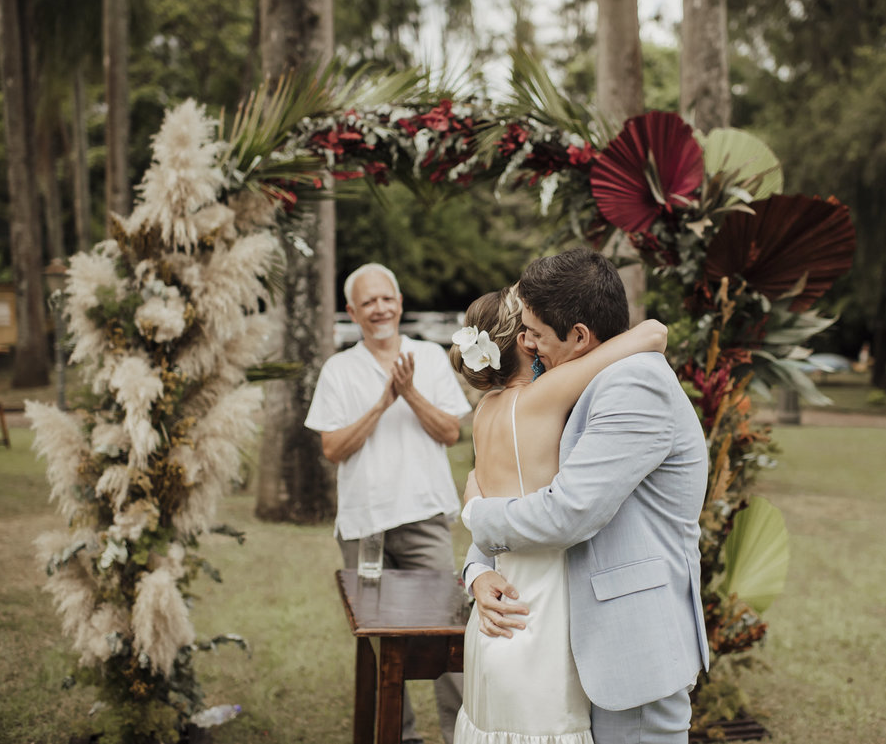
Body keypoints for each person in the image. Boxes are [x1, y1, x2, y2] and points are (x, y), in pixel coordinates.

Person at [462, 249, 711, 744]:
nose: (527, 344)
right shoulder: (582, 380)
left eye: (534, 331)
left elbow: (567, 512)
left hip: (627, 650)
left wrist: (475, 513)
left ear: (578, 336)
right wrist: (478, 569)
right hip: (566, 645)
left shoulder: (634, 383)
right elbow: (520, 486)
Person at [304, 262, 468, 744]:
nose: (380, 308)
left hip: (425, 516)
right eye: (367, 302)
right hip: (364, 524)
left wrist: (409, 392)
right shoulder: (339, 369)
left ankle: (461, 734)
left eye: (386, 298)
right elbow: (333, 449)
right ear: (353, 312)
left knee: (447, 638)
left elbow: (451, 432)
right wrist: (381, 402)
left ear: (399, 303)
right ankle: (400, 737)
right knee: (380, 646)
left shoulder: (431, 357)